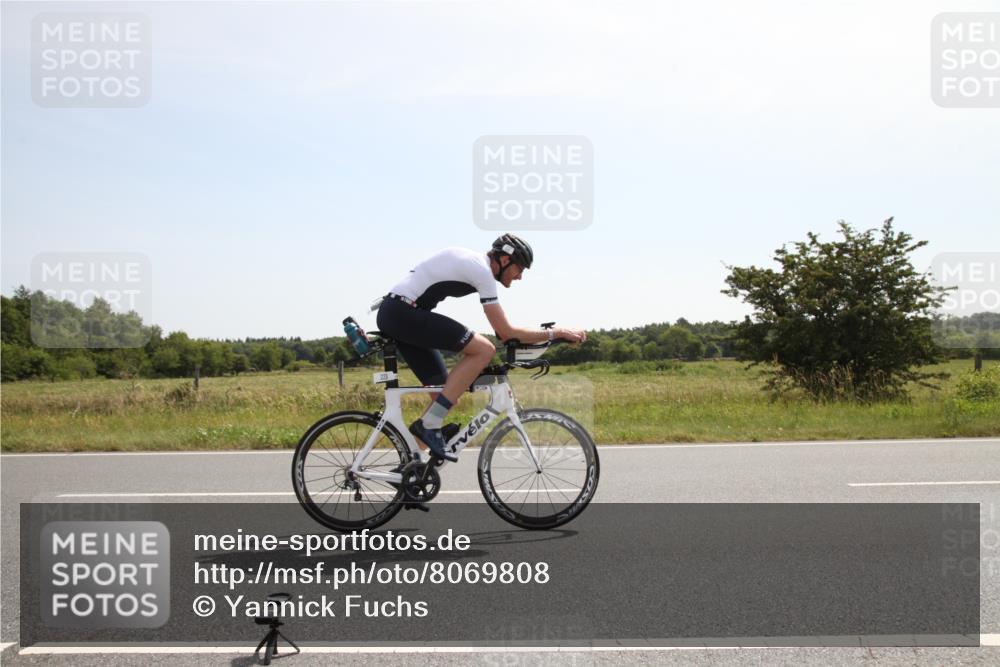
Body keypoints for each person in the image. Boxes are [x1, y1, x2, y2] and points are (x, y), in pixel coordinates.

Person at [375, 234, 587, 461]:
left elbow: (506, 333)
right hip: (403, 314)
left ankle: (412, 465)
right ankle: (429, 426)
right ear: (505, 260)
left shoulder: (474, 264)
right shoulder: (482, 272)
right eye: (520, 268)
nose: (520, 277)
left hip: (399, 313)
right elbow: (506, 333)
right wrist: (557, 333)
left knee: (446, 396)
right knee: (484, 350)